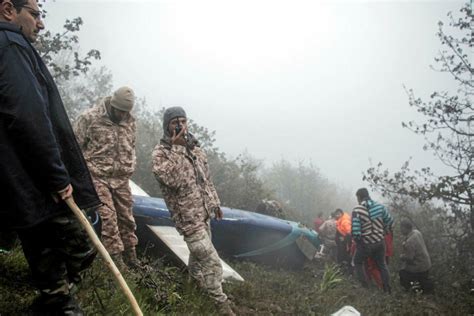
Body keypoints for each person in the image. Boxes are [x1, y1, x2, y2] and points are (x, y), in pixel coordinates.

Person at [0, 0, 101, 313]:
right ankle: (56, 299)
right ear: (7, 10)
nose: (40, 24)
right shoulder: (11, 43)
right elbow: (28, 115)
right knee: (82, 237)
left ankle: (54, 297)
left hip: (16, 173)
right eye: (34, 13)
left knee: (38, 233)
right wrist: (57, 176)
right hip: (31, 172)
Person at [152, 106, 235, 316]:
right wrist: (178, 148)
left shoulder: (196, 149)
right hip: (188, 219)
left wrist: (214, 204)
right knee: (212, 263)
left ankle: (193, 290)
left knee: (198, 261)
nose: (180, 125)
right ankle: (221, 305)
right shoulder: (161, 153)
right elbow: (173, 180)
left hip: (204, 214)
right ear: (167, 126)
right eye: (174, 122)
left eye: (183, 120)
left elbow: (206, 179)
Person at [74, 86, 140, 269]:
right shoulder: (90, 118)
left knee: (127, 219)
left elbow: (131, 146)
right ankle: (116, 264)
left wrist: (130, 165)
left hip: (121, 179)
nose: (122, 115)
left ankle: (131, 258)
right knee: (108, 218)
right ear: (112, 104)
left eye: (126, 111)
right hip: (97, 176)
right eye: (120, 110)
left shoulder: (130, 121)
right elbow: (73, 147)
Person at [351, 188, 393, 293]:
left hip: (366, 243)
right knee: (382, 264)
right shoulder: (380, 207)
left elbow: (356, 231)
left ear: (359, 197)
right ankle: (387, 288)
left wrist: (360, 244)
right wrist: (382, 231)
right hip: (380, 242)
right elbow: (390, 221)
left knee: (358, 262)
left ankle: (365, 287)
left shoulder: (357, 210)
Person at [399, 218, 434, 294]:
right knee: (423, 281)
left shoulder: (409, 242)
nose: (400, 230)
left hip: (419, 267)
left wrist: (402, 256)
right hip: (427, 263)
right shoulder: (417, 232)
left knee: (402, 273)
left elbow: (409, 258)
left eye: (401, 228)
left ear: (405, 228)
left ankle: (409, 290)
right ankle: (423, 287)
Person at [333, 208, 352, 272]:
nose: (336, 216)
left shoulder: (345, 221)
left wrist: (344, 239)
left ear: (341, 213)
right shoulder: (340, 220)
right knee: (341, 253)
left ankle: (344, 268)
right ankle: (341, 266)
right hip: (341, 241)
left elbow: (349, 232)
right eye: (336, 214)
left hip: (345, 242)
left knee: (344, 254)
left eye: (338, 214)